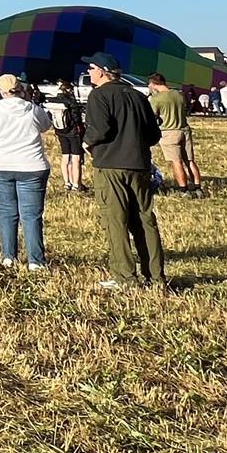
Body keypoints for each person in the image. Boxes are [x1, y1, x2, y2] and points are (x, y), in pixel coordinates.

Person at [82, 52, 166, 289]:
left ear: (102, 71)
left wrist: (87, 143)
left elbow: (100, 130)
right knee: (145, 220)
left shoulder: (99, 95)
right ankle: (156, 276)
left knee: (115, 221)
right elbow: (153, 135)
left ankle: (125, 276)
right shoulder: (138, 96)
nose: (89, 72)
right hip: (139, 165)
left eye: (91, 68)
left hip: (110, 166)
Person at [0, 73, 54, 271]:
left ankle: (9, 256)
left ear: (1, 91)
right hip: (31, 166)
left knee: (7, 212)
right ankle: (36, 261)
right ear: (21, 89)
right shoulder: (33, 109)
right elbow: (46, 126)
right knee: (31, 215)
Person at [147, 73, 202, 198]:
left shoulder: (157, 99)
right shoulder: (178, 94)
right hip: (184, 129)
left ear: (153, 84)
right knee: (190, 161)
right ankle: (198, 187)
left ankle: (184, 189)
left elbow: (152, 116)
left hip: (169, 131)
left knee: (176, 162)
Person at [43, 79, 87, 193]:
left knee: (65, 156)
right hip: (73, 132)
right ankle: (76, 184)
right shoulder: (70, 101)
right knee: (76, 158)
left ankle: (67, 182)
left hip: (60, 131)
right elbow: (76, 117)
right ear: (68, 89)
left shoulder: (53, 100)